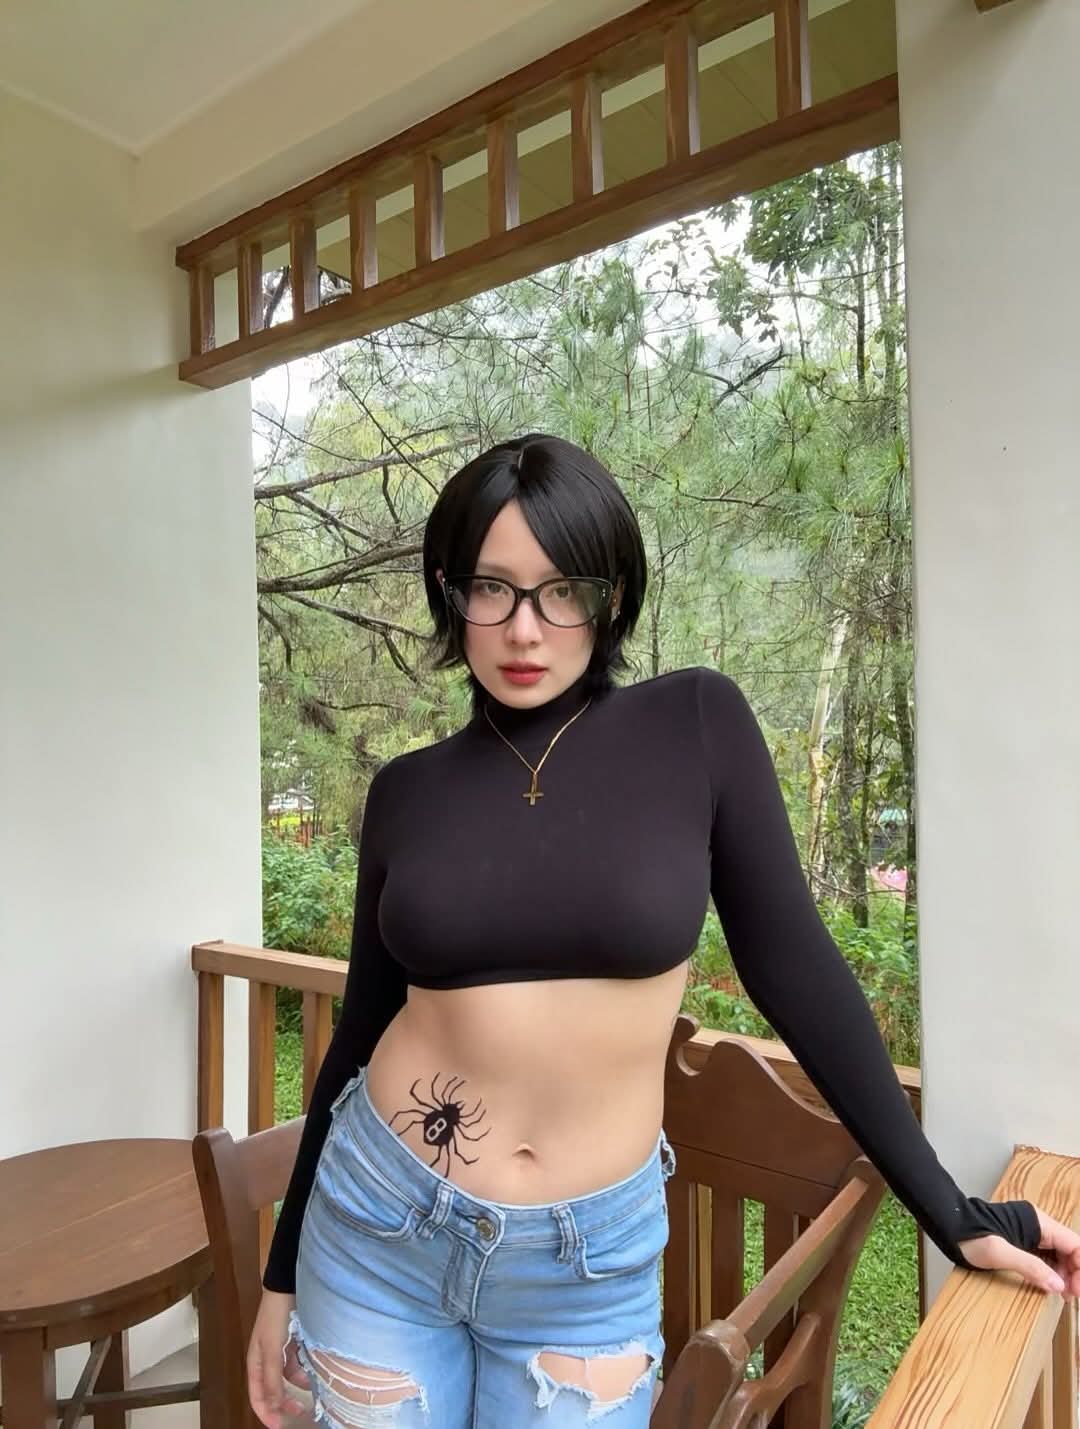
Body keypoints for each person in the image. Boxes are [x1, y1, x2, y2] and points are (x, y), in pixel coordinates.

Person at [248, 434, 1079, 1429]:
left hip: (585, 1269)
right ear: (448, 592)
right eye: (492, 588)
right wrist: (281, 1274)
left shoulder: (695, 724)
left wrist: (952, 1212)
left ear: (611, 599)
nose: (525, 628)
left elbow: (796, 969)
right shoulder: (406, 792)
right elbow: (359, 1030)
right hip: (380, 1230)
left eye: (563, 591)